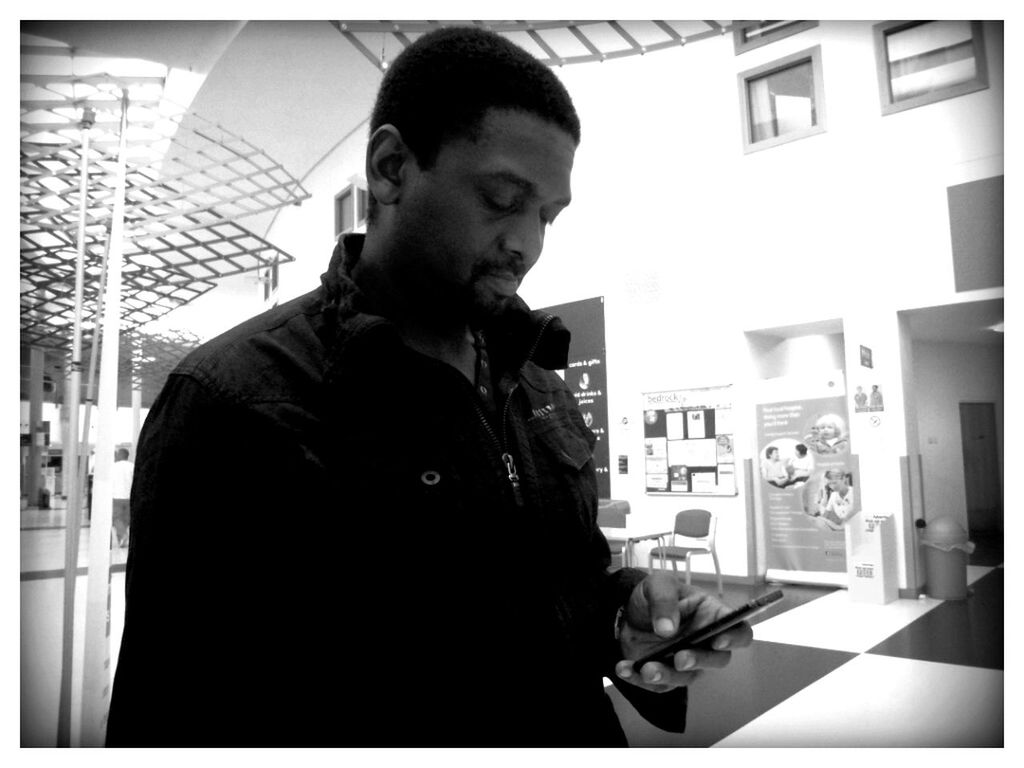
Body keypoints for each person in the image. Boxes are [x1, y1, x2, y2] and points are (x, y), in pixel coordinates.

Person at [106, 27, 751, 747]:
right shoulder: (233, 405)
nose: (528, 243)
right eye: (504, 199)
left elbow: (561, 584)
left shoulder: (538, 385)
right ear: (391, 168)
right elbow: (171, 720)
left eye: (548, 215)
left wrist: (623, 616)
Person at [111, 447, 134, 547]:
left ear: (119, 455)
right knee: (126, 519)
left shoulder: (113, 467)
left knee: (116, 518)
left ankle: (123, 535)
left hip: (116, 496)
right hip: (130, 497)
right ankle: (122, 539)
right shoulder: (132, 466)